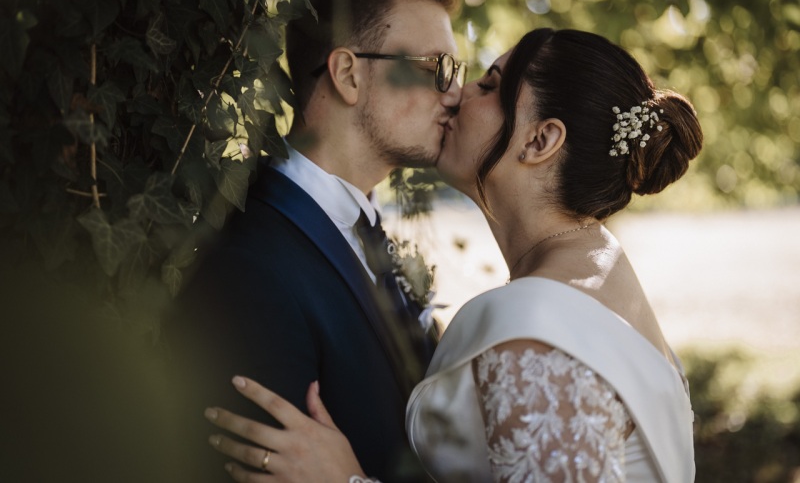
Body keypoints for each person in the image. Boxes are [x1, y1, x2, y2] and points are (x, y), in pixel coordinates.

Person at [202, 28, 702, 482]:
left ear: (540, 139)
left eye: (489, 85)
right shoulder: (605, 274)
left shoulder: (535, 329)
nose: (458, 94)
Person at [166, 0, 463, 482]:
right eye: (437, 67)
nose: (455, 93)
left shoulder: (362, 233)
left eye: (456, 72)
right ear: (348, 74)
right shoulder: (252, 267)